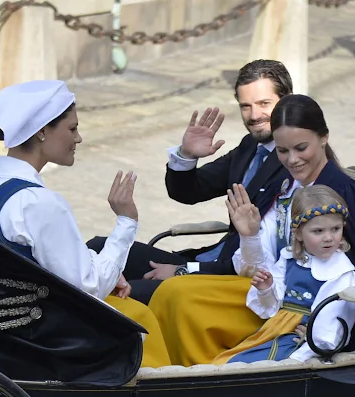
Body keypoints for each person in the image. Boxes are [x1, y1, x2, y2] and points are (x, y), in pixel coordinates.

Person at [148, 94, 355, 367]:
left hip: (307, 310)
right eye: (282, 151)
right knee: (173, 293)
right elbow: (256, 267)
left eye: (301, 148)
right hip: (268, 293)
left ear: (323, 137)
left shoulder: (348, 194)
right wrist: (249, 235)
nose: (292, 160)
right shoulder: (284, 186)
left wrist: (329, 331)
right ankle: (185, 377)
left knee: (181, 300)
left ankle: (208, 379)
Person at [0, 80, 170, 368]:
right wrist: (126, 222)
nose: (79, 138)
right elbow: (90, 286)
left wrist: (97, 265)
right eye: (72, 128)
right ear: (43, 131)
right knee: (139, 318)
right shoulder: (37, 203)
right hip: (37, 340)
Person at [87, 59, 292, 304]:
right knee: (96, 249)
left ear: (288, 100)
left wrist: (184, 272)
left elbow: (264, 258)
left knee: (119, 295)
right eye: (245, 106)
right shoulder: (251, 146)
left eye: (264, 104)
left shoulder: (296, 164)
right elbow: (188, 192)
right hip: (207, 262)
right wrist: (186, 156)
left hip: (235, 280)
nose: (254, 115)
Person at [212, 184, 355, 364]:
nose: (328, 237)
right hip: (274, 330)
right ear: (298, 233)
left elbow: (333, 326)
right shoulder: (290, 258)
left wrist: (301, 355)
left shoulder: (341, 273)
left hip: (300, 342)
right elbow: (270, 309)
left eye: (335, 229)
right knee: (226, 361)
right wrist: (266, 289)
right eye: (318, 231)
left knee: (240, 367)